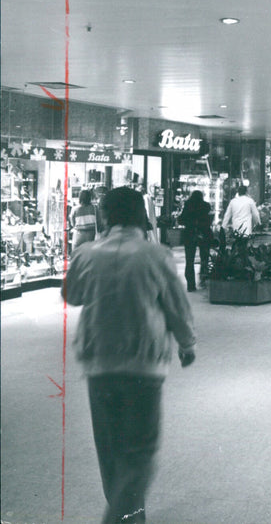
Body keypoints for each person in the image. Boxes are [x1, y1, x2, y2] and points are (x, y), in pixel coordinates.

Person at [62, 187, 196, 524]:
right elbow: (177, 306)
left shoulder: (87, 254)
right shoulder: (157, 255)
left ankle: (130, 517)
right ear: (142, 215)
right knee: (141, 452)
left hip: (99, 364)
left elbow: (73, 296)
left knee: (110, 452)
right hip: (144, 365)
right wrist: (187, 343)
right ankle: (121, 518)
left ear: (105, 216)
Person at [178, 190, 213, 291]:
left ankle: (191, 285)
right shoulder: (206, 206)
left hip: (190, 234)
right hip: (204, 234)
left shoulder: (188, 206)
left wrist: (190, 223)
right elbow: (208, 220)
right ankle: (204, 281)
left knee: (189, 260)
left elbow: (181, 220)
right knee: (205, 259)